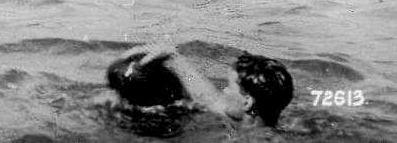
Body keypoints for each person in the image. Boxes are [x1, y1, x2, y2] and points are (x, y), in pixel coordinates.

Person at [109, 44, 294, 129]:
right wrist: (172, 56)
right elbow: (209, 98)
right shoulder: (243, 118)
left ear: (247, 102)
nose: (224, 90)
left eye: (230, 86)